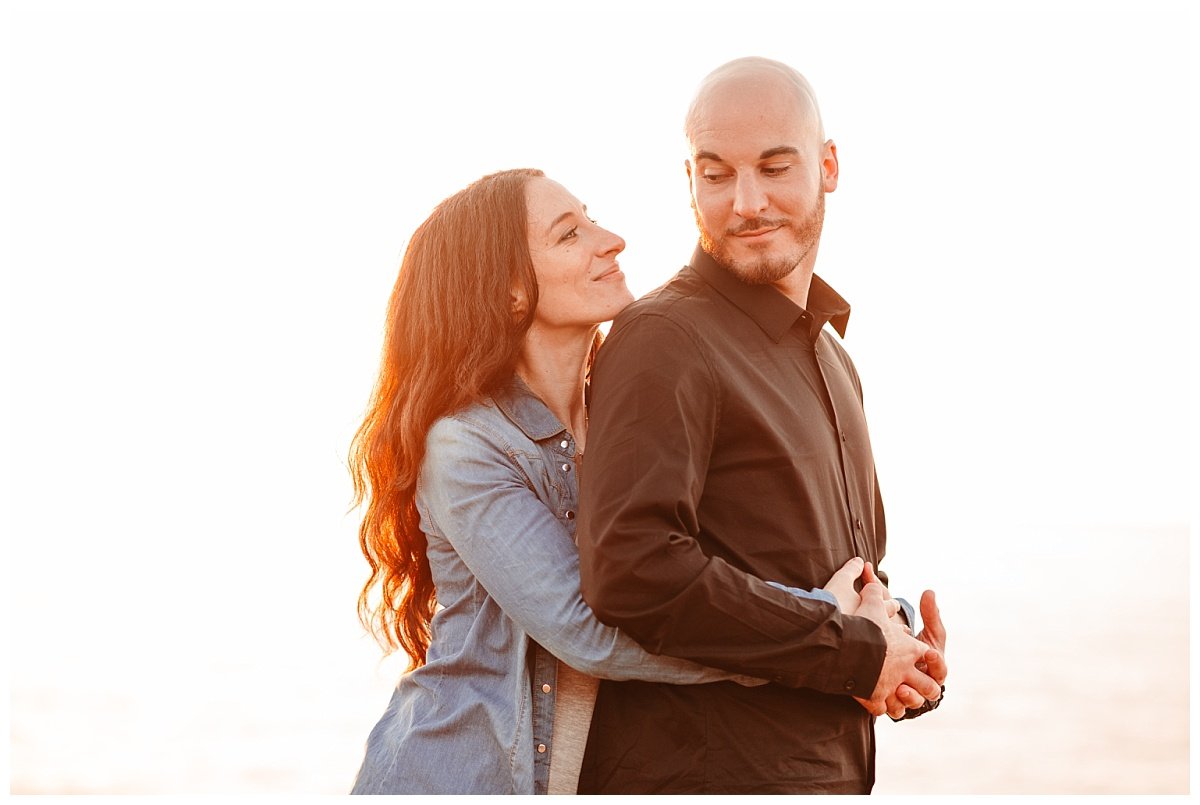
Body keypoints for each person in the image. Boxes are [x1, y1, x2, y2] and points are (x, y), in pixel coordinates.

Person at [345, 168, 858, 795]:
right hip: (457, 776)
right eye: (570, 235)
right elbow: (587, 634)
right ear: (509, 290)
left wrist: (882, 624)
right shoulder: (467, 446)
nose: (611, 240)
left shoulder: (624, 412)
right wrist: (823, 636)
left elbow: (714, 574)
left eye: (593, 220)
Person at [575, 57, 949, 794]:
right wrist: (852, 654)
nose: (746, 202)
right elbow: (632, 566)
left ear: (828, 166)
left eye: (775, 168)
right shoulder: (663, 337)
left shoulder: (836, 360)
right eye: (716, 175)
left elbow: (835, 576)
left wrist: (896, 651)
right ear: (690, 181)